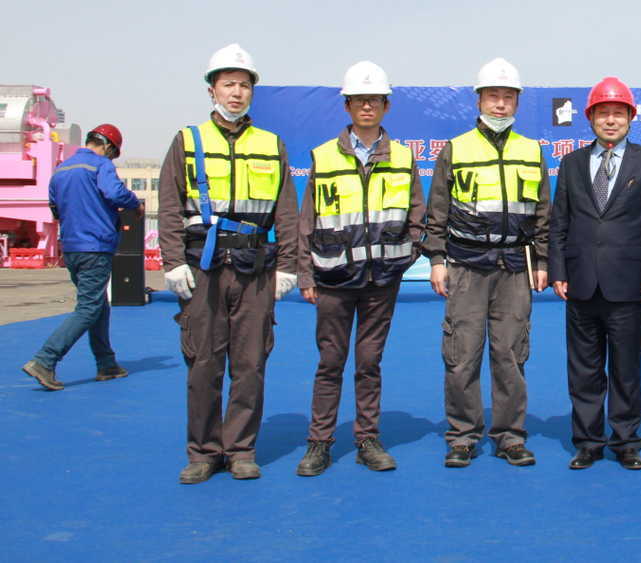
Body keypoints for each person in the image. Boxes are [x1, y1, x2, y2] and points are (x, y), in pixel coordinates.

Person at [159, 45, 299, 484]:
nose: (236, 93)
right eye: (228, 84)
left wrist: (288, 267)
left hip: (254, 268)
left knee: (250, 363)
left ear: (253, 91)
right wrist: (172, 261)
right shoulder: (187, 141)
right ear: (212, 90)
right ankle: (203, 452)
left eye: (244, 85)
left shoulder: (271, 144)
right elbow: (169, 205)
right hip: (203, 269)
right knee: (203, 361)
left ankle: (240, 450)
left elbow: (287, 212)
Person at [294, 62, 427, 477]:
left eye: (374, 100)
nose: (366, 106)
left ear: (386, 105)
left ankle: (367, 439)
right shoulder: (323, 156)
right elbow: (307, 221)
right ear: (347, 106)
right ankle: (319, 443)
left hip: (381, 281)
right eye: (358, 100)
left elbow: (417, 216)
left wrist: (402, 259)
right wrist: (306, 274)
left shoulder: (403, 157)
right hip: (333, 280)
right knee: (330, 364)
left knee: (369, 363)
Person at [423, 58, 550, 468]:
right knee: (461, 354)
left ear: (517, 102)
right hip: (466, 266)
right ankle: (462, 436)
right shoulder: (456, 149)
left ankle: (510, 436)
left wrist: (542, 260)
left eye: (508, 97)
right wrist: (437, 259)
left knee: (511, 355)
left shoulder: (531, 150)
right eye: (493, 96)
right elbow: (437, 211)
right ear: (479, 100)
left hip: (515, 267)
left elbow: (544, 214)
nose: (500, 104)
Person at [548, 77, 641, 471]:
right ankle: (588, 442)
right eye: (603, 113)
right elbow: (559, 222)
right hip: (581, 284)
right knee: (583, 370)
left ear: (631, 118)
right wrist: (558, 270)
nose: (611, 120)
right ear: (591, 118)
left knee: (625, 369)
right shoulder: (571, 163)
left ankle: (626, 442)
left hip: (630, 285)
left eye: (618, 113)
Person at [22, 125, 142, 391]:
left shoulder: (60, 170)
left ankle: (106, 364)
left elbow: (55, 209)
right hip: (95, 248)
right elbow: (115, 193)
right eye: (113, 154)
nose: (112, 158)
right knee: (88, 308)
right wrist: (135, 203)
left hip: (72, 248)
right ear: (108, 146)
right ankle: (44, 360)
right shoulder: (101, 165)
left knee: (99, 305)